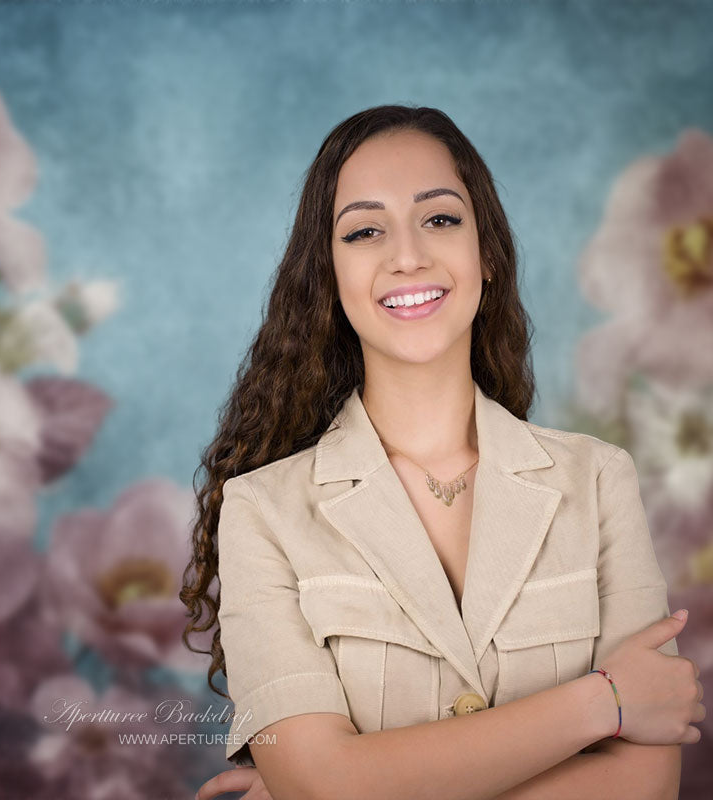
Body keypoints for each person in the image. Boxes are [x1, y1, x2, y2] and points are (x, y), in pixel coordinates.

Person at [182, 105, 705, 800]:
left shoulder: (600, 480)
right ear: (329, 278)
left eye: (440, 219)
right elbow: (321, 785)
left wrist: (351, 784)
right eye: (365, 231)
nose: (408, 256)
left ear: (485, 253)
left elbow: (645, 785)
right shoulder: (261, 512)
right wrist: (603, 703)